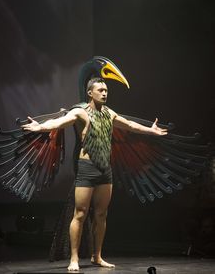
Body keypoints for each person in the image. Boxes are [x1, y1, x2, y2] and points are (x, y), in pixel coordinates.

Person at [22, 77, 167, 271]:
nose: (105, 93)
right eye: (100, 90)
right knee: (80, 214)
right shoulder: (80, 112)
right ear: (90, 93)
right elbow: (60, 121)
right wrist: (40, 127)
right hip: (87, 168)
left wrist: (151, 131)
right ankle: (73, 259)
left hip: (105, 170)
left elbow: (130, 125)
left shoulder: (109, 113)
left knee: (101, 214)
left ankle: (97, 257)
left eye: (106, 90)